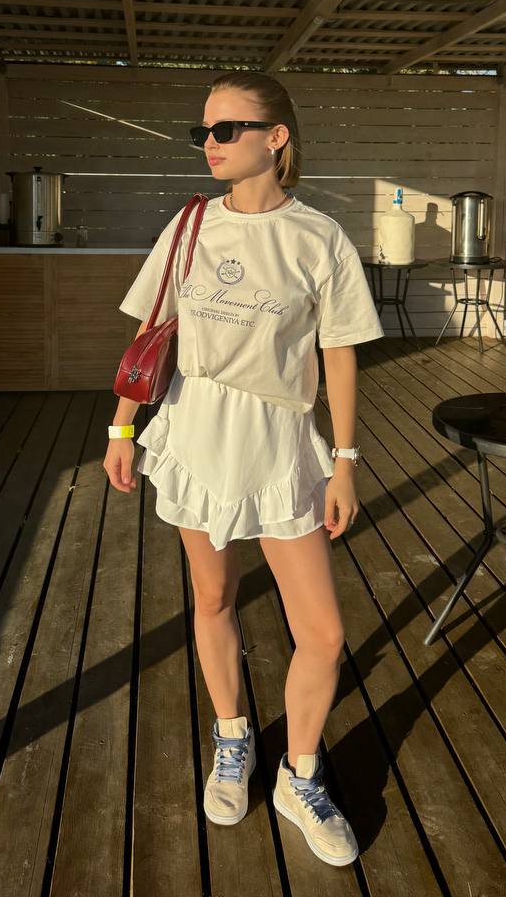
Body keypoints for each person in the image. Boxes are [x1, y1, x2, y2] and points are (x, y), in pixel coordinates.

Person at [102, 71, 384, 868]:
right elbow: (150, 333)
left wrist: (346, 461)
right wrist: (122, 427)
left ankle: (301, 773)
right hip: (196, 430)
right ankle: (234, 737)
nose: (210, 144)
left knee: (323, 632)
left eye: (227, 129)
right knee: (214, 597)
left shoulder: (319, 237)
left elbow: (339, 352)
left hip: (281, 442)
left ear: (276, 137)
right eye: (204, 131)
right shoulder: (190, 224)